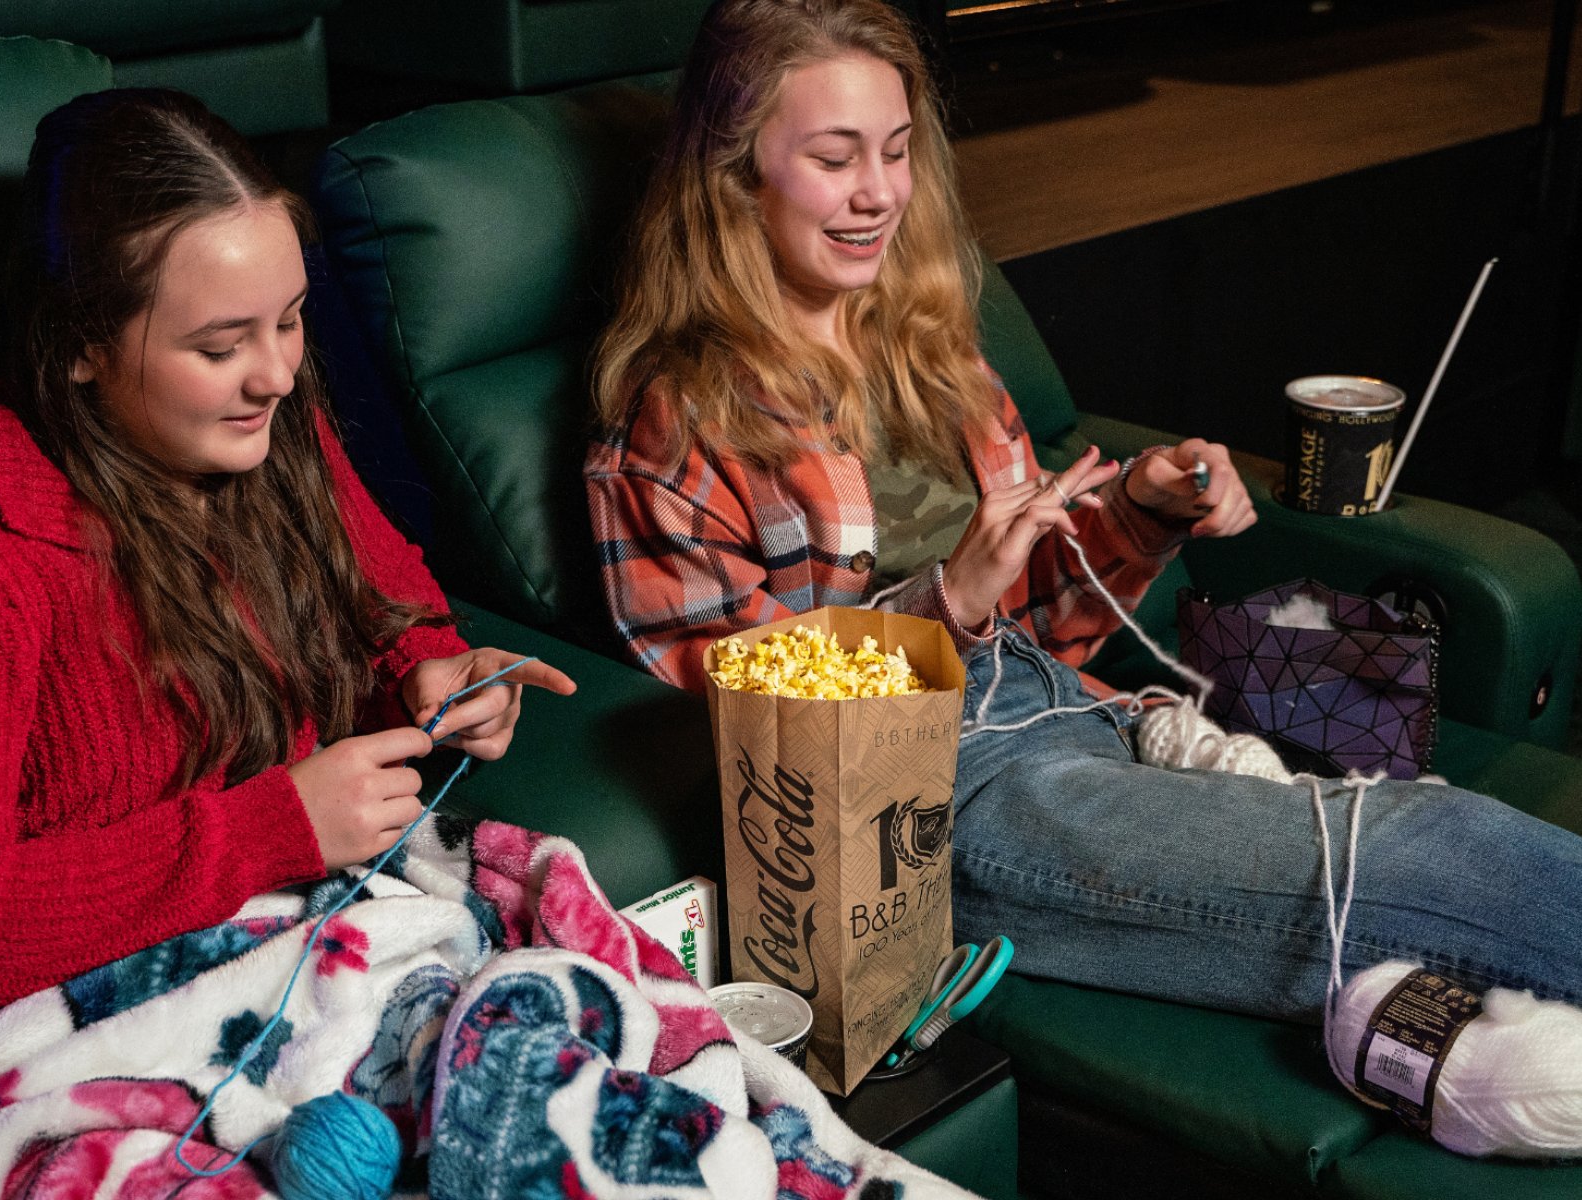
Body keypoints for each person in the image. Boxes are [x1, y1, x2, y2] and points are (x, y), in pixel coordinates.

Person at [584, 0, 1582, 1022]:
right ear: (735, 178)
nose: (879, 193)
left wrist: (1138, 516)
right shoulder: (676, 425)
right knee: (1422, 855)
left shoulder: (928, 348)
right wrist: (943, 607)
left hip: (1081, 710)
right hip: (929, 805)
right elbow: (756, 742)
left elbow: (1044, 624)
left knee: (1421, 874)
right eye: (835, 159)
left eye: (896, 149)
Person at [0, 88, 573, 1029]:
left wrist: (432, 679)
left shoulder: (278, 432)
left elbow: (396, 618)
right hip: (44, 1017)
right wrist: (274, 829)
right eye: (222, 346)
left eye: (291, 320)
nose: (277, 375)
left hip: (284, 956)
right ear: (80, 345)